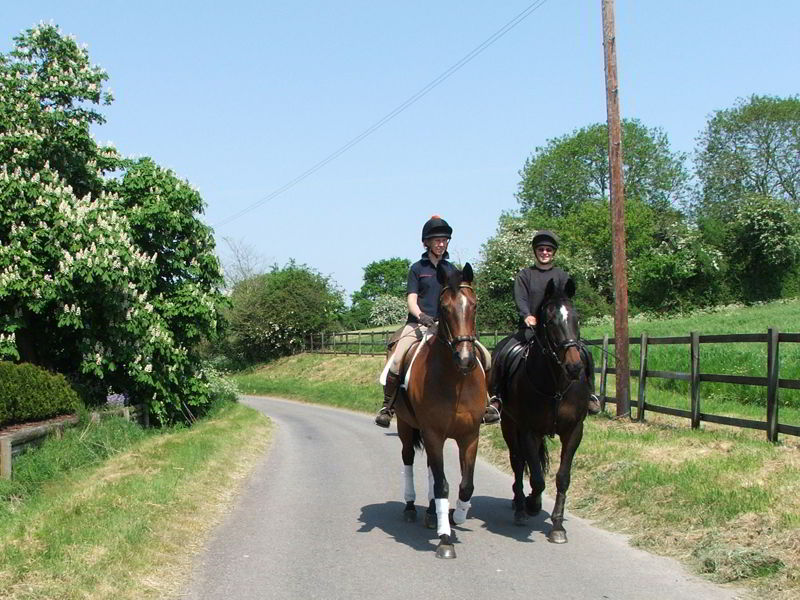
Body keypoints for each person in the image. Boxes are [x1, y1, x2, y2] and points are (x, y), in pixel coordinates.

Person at [375, 215, 500, 427]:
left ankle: (487, 402)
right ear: (427, 243)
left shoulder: (452, 270)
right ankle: (388, 406)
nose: (441, 244)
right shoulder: (417, 269)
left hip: (449, 327)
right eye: (436, 240)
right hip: (419, 324)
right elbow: (412, 300)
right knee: (396, 361)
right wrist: (421, 317)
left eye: (444, 240)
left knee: (485, 357)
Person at [487, 229, 602, 416]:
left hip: (558, 332)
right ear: (535, 251)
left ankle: (589, 395)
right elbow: (520, 299)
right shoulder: (525, 275)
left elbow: (567, 303)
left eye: (549, 250)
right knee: (503, 351)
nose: (545, 253)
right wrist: (526, 315)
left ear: (553, 252)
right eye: (541, 249)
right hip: (530, 329)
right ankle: (497, 398)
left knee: (585, 353)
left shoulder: (562, 276)